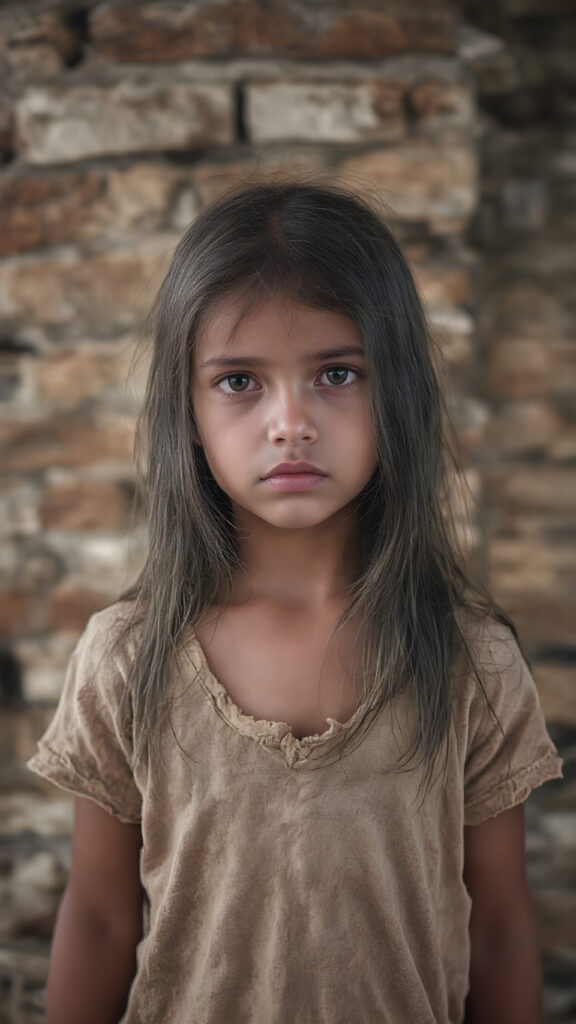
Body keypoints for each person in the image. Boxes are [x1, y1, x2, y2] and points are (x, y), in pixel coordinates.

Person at [27, 181, 562, 1024]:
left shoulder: (472, 660)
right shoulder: (128, 657)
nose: (290, 423)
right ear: (187, 410)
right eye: (240, 380)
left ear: (398, 392)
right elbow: (97, 919)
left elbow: (497, 926)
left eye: (337, 374)